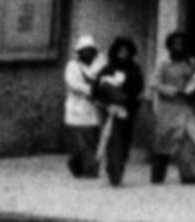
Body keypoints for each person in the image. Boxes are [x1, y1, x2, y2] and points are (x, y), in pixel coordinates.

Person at [144, 31, 195, 185]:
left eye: (181, 44)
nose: (178, 47)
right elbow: (153, 83)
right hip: (167, 109)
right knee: (163, 142)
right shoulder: (163, 63)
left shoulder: (192, 63)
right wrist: (170, 90)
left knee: (188, 141)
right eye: (175, 44)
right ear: (170, 46)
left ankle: (188, 174)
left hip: (185, 108)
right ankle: (157, 175)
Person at [93, 36, 148, 187]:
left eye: (126, 51)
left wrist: (127, 102)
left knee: (124, 142)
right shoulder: (108, 68)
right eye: (120, 51)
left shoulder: (135, 70)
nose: (123, 54)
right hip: (110, 111)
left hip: (128, 111)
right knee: (112, 140)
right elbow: (96, 90)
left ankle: (119, 168)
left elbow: (138, 89)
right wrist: (107, 103)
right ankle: (113, 171)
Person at [59, 37, 103, 180]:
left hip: (94, 109)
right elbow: (73, 84)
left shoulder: (100, 65)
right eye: (85, 51)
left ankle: (91, 169)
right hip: (76, 109)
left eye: (91, 51)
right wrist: (91, 90)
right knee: (78, 144)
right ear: (79, 52)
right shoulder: (72, 66)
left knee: (92, 142)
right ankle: (77, 164)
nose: (88, 54)